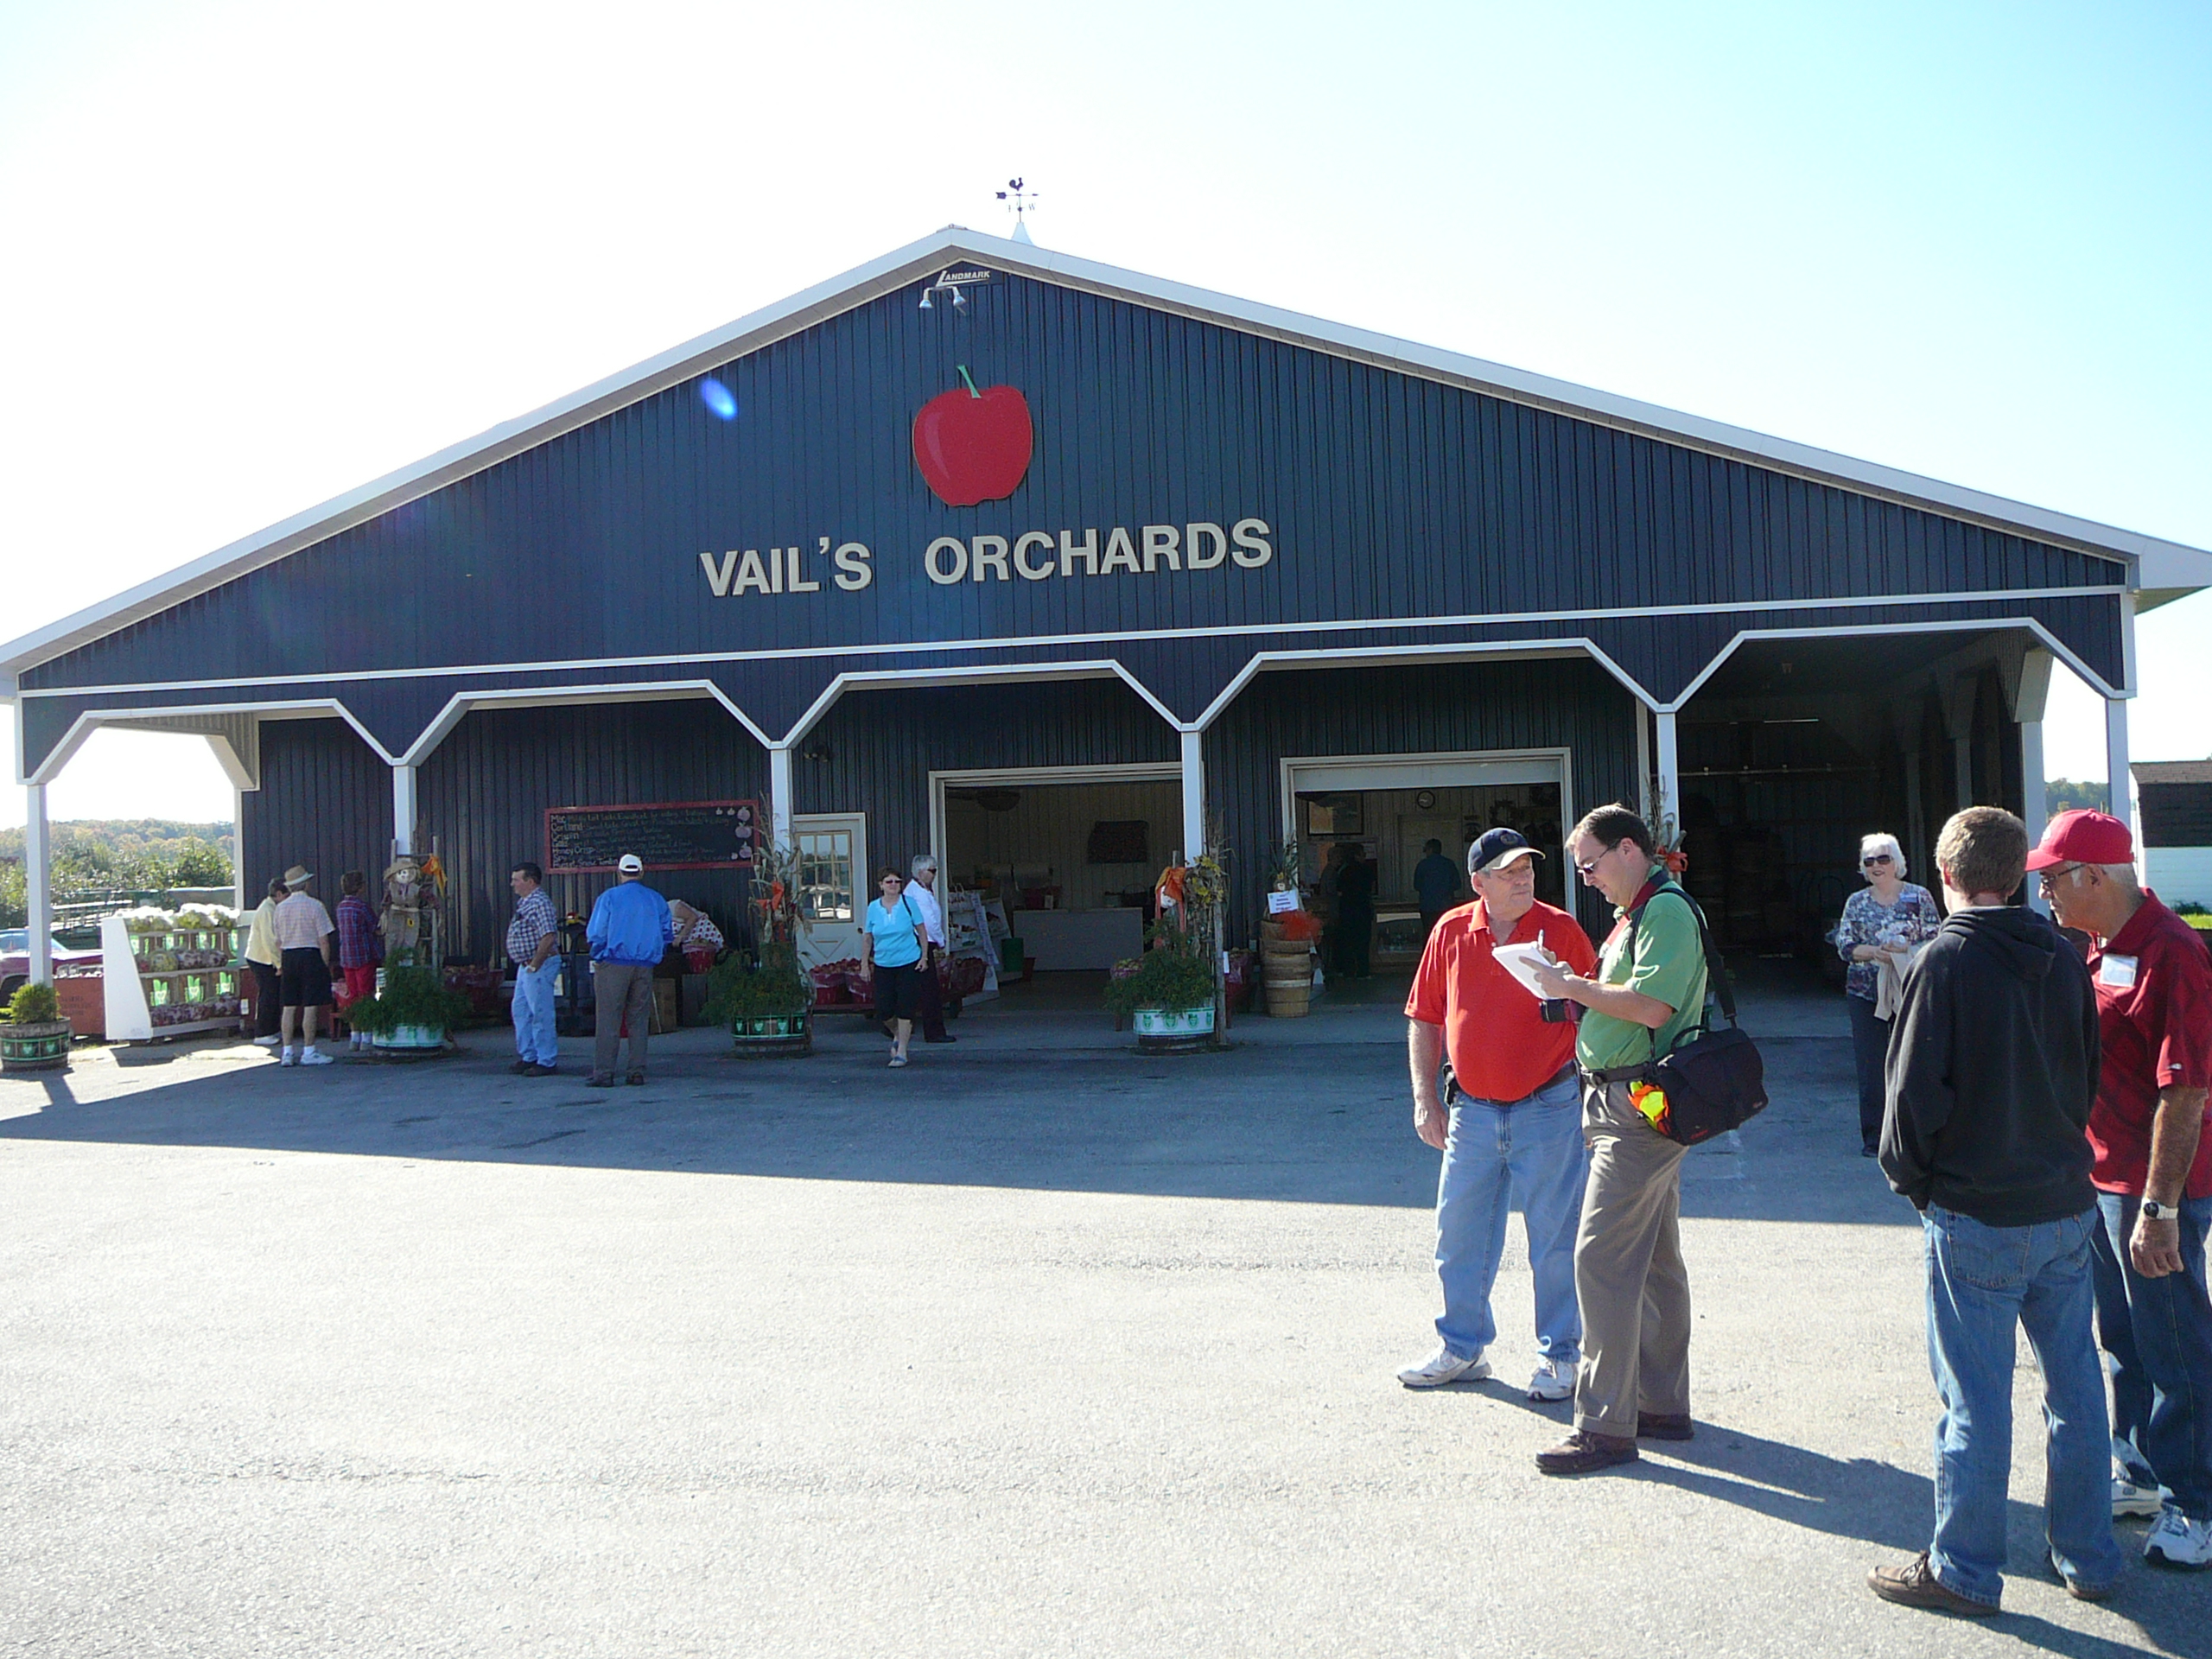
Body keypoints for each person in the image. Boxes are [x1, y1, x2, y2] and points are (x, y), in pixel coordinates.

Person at [1868, 806, 2121, 1614]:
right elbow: (2086, 1074)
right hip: (2064, 1205)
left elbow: (1908, 1106)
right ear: (2018, 876)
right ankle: (2087, 1555)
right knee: (2075, 1386)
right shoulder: (2063, 954)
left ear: (1944, 876)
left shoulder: (1942, 961)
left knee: (1974, 1399)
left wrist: (1919, 1189)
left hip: (1977, 1213)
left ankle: (1965, 1570)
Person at [2034, 808, 2212, 1569]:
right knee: (2123, 1343)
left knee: (2176, 1348)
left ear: (2095, 877)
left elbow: (2187, 1091)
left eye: (2052, 879)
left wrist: (2160, 1209)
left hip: (2153, 1194)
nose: (2046, 893)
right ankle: (2140, 1470)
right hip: (2103, 1180)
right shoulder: (2101, 946)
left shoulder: (2174, 952)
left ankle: (2195, 1506)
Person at [1525, 804, 1710, 1475]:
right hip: (1629, 1102)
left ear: (1629, 850)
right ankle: (1661, 1405)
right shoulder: (1642, 914)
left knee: (1599, 1258)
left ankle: (1604, 1425)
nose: (1587, 878)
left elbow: (1652, 1006)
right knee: (1656, 1260)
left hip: (1637, 1107)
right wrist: (1572, 993)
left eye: (1591, 864)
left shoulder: (1664, 912)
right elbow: (1628, 999)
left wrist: (1571, 985)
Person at [1398, 827, 1599, 1401]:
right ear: (1478, 882)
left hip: (1550, 1104)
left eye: (1527, 869)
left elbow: (1596, 1010)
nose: (1523, 879)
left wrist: (1594, 1093)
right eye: (1508, 872)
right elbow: (1425, 1016)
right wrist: (1423, 1097)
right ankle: (1462, 1349)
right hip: (1473, 1112)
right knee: (1458, 1237)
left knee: (1555, 1241)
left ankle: (1561, 1357)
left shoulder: (1560, 930)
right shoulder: (1452, 930)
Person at [1834, 832, 1942, 1156]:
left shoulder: (1919, 897)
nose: (1877, 866)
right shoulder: (1857, 902)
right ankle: (1875, 1139)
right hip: (1866, 994)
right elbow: (1845, 947)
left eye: (1883, 859)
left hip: (1910, 992)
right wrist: (1875, 952)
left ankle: (1913, 1136)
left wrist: (1904, 950)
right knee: (1871, 1069)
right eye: (1870, 861)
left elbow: (1937, 939)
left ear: (1897, 863)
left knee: (1914, 1064)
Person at [586, 853, 673, 1087]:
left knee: (608, 1020)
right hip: (645, 965)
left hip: (614, 964)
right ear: (641, 873)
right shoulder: (655, 899)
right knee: (638, 1019)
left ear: (619, 872)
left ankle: (604, 1073)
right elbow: (667, 933)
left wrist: (599, 955)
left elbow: (597, 933)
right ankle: (636, 1071)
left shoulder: (609, 898)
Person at [860, 868, 929, 1068]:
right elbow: (868, 937)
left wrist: (924, 956)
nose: (893, 885)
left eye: (897, 882)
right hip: (883, 963)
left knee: (906, 1006)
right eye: (889, 882)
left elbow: (922, 931)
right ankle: (898, 1034)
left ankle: (902, 1052)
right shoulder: (873, 908)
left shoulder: (909, 904)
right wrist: (865, 963)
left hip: (908, 961)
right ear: (880, 885)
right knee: (884, 1009)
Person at [271, 863, 337, 1068]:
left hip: (289, 955)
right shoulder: (315, 906)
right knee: (310, 1005)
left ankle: (287, 1052)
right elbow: (323, 940)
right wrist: (324, 965)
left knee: (289, 1006)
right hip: (310, 955)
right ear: (305, 884)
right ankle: (309, 1050)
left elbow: (278, 941)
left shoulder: (280, 908)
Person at [506, 861, 561, 1077]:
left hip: (537, 964)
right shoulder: (525, 902)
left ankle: (546, 1059)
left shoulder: (540, 902)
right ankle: (529, 1056)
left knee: (540, 1012)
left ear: (530, 881)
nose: (513, 884)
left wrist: (535, 964)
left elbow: (548, 935)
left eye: (516, 880)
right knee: (521, 1011)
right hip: (526, 965)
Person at [906, 854, 957, 1045]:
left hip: (919, 942)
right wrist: (942, 941)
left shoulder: (921, 890)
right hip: (921, 943)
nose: (935, 875)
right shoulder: (918, 894)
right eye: (932, 871)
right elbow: (929, 922)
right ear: (921, 872)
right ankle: (934, 1031)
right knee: (930, 990)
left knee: (920, 988)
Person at [334, 870, 382, 1052]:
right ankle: (367, 1036)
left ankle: (355, 1036)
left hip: (347, 956)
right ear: (360, 888)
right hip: (364, 955)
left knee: (353, 997)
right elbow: (375, 928)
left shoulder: (341, 907)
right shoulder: (362, 907)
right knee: (366, 995)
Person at [244, 876, 286, 1046]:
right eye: (286, 894)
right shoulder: (268, 910)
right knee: (268, 995)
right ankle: (263, 1033)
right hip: (262, 959)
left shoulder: (270, 907)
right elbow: (270, 940)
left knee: (273, 994)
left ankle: (271, 1030)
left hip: (263, 958)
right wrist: (279, 964)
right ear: (278, 893)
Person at [1333, 844, 1376, 979]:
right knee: (1363, 943)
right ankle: (1363, 971)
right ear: (1357, 855)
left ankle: (1348, 971)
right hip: (1363, 909)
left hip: (1347, 910)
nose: (1365, 857)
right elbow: (1371, 889)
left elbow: (1338, 891)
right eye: (1363, 854)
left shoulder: (1344, 870)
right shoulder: (1366, 870)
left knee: (1347, 942)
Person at [1412, 837, 1463, 939]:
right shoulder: (1449, 864)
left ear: (1430, 850)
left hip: (1427, 907)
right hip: (1446, 906)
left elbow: (1417, 885)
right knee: (1447, 935)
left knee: (1429, 935)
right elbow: (1457, 884)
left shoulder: (1422, 865)